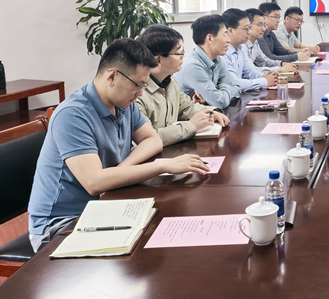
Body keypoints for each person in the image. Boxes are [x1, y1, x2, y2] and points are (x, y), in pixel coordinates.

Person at [27, 39, 209, 252]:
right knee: (149, 249)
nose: (140, 93)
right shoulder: (73, 114)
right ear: (112, 76)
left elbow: (153, 140)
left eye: (144, 85)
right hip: (61, 223)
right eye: (138, 85)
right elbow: (95, 182)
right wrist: (162, 166)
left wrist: (121, 170)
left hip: (104, 206)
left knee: (168, 227)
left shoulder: (123, 104)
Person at [136, 25, 230, 146]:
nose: (183, 56)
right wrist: (191, 126)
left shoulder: (170, 81)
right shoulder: (136, 94)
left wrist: (212, 113)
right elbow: (150, 138)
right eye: (177, 52)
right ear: (158, 60)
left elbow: (187, 108)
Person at [174, 14, 241, 109]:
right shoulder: (193, 66)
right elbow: (220, 102)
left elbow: (237, 88)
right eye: (225, 35)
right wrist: (224, 86)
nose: (228, 40)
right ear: (210, 38)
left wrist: (219, 91)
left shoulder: (217, 59)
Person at [221, 8, 278, 91]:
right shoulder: (222, 52)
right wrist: (265, 81)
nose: (249, 32)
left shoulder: (240, 48)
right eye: (246, 29)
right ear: (231, 31)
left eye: (250, 28)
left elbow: (250, 72)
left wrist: (267, 76)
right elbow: (234, 83)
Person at [244, 8, 298, 75]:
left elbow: (265, 62)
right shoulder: (241, 46)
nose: (264, 29)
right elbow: (250, 70)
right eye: (260, 25)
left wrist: (281, 64)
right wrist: (279, 69)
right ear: (248, 25)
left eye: (264, 25)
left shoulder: (255, 42)